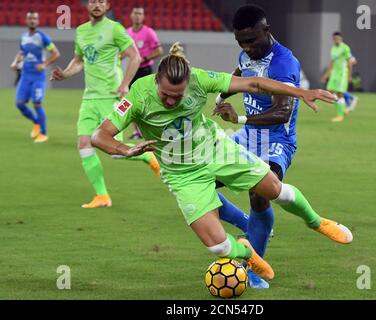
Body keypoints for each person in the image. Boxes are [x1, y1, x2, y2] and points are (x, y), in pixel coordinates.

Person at [91, 43, 353, 282]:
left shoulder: (199, 79)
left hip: (217, 151)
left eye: (178, 96)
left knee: (274, 190)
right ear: (156, 80)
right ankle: (246, 252)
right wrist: (124, 149)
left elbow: (254, 84)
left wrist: (300, 92)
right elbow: (99, 135)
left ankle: (316, 222)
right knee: (217, 246)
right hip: (182, 174)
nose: (171, 101)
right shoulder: (137, 96)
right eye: (165, 96)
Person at [211, 4, 305, 289]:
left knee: (260, 193)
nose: (247, 47)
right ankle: (246, 223)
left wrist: (238, 116)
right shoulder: (247, 51)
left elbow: (283, 112)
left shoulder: (283, 63)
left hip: (278, 140)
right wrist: (219, 98)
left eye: (251, 41)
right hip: (248, 135)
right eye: (241, 42)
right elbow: (239, 73)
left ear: (267, 30)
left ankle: (252, 268)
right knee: (200, 183)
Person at [50, 0, 158, 209]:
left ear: (107, 5)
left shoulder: (115, 29)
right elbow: (79, 60)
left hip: (111, 97)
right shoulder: (81, 31)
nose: (96, 5)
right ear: (88, 5)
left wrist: (125, 84)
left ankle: (147, 156)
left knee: (116, 153)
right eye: (93, 1)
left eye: (101, 1)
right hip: (89, 98)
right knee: (83, 144)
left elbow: (134, 57)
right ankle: (102, 196)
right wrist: (65, 73)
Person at [10, 11, 60, 143]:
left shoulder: (43, 37)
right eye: (30, 18)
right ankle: (36, 122)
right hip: (25, 75)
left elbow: (55, 53)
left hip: (38, 77)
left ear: (38, 21)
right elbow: (22, 52)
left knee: (37, 103)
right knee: (20, 104)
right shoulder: (24, 37)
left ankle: (43, 133)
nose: (32, 20)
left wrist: (44, 64)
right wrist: (15, 62)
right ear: (26, 21)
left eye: (34, 18)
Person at [126, 5, 163, 140]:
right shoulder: (127, 32)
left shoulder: (149, 32)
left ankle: (152, 128)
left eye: (140, 14)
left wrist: (144, 58)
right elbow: (123, 51)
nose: (137, 16)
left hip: (145, 70)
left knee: (148, 101)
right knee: (131, 101)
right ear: (131, 15)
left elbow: (159, 50)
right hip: (132, 70)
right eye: (135, 13)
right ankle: (138, 131)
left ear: (143, 16)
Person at [321, 32, 353, 122]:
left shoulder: (345, 48)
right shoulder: (333, 49)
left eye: (338, 38)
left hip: (342, 73)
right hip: (334, 73)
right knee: (330, 93)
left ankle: (340, 115)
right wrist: (326, 75)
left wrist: (350, 75)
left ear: (341, 39)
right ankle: (344, 109)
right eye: (335, 39)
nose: (336, 40)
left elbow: (350, 62)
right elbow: (332, 63)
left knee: (339, 93)